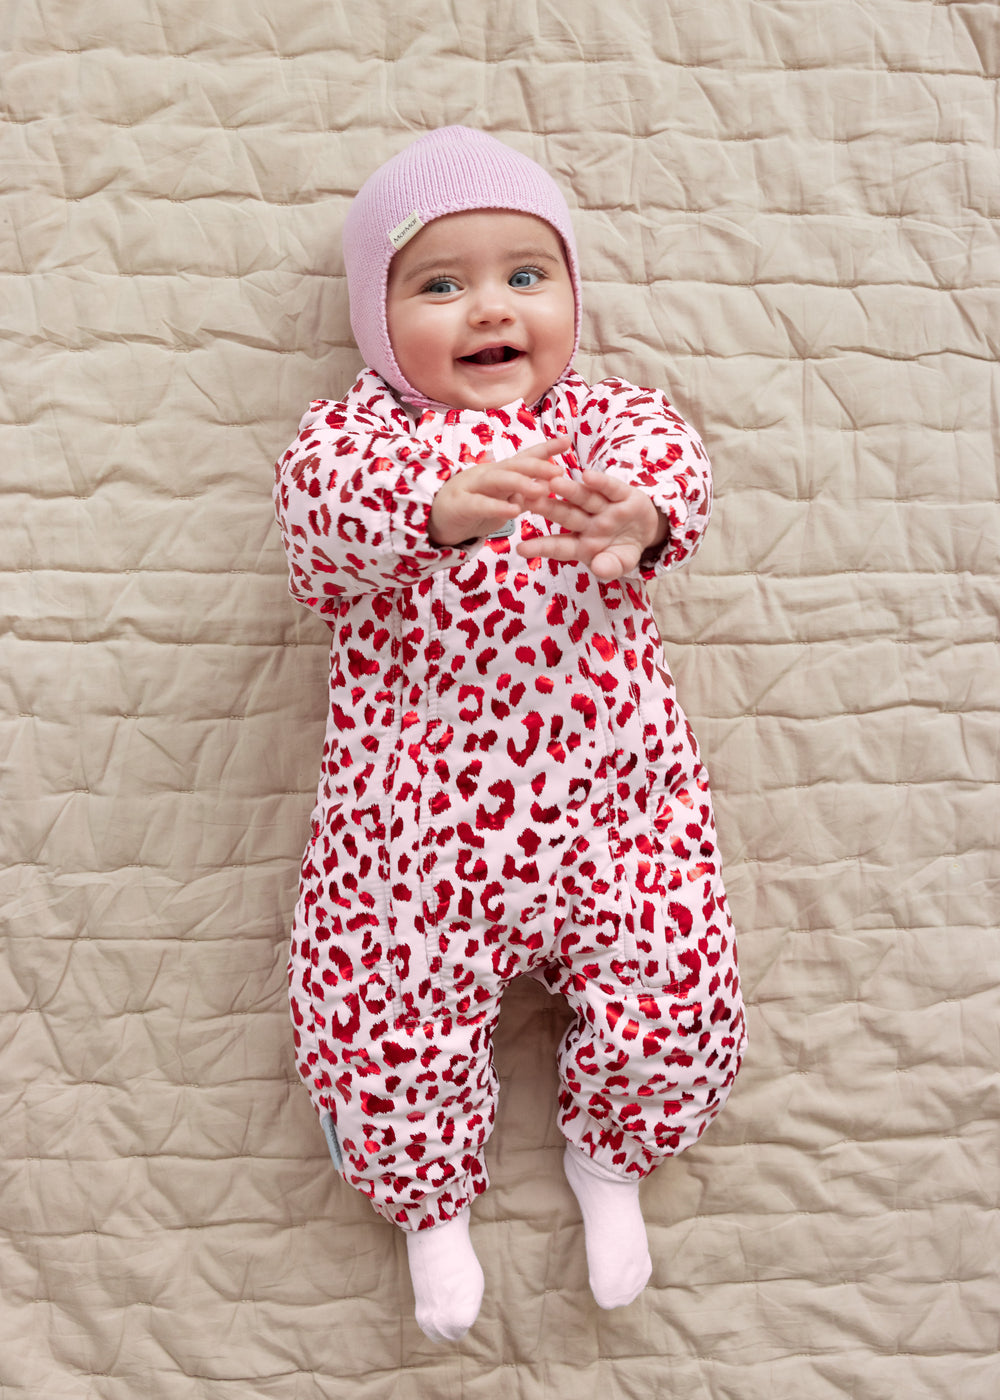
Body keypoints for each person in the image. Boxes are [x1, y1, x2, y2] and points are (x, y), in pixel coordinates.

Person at [273, 126, 746, 1344]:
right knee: (383, 1003)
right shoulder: (359, 438)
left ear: (571, 297)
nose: (491, 307)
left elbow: (672, 460)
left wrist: (641, 517)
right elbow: (315, 529)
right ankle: (429, 1207)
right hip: (416, 817)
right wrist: (424, 509)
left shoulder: (599, 419)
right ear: (380, 327)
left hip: (613, 799)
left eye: (526, 276)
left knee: (672, 978)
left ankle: (612, 1159)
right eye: (441, 284)